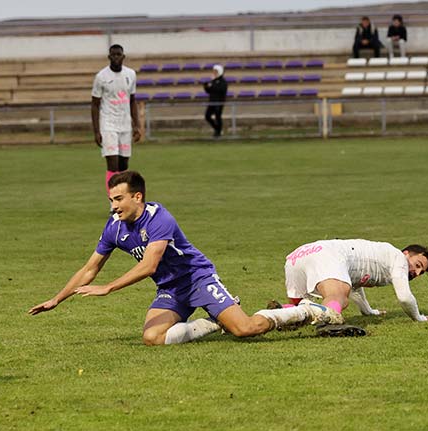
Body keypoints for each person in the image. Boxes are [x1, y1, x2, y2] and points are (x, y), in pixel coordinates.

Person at [28, 171, 338, 346]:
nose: (113, 206)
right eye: (110, 200)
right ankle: (211, 323)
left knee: (245, 331)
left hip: (197, 279)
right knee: (153, 338)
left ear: (137, 197)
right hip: (171, 289)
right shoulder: (114, 227)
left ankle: (303, 312)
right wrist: (58, 299)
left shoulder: (159, 218)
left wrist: (108, 289)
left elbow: (149, 265)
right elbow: (89, 268)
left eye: (118, 199)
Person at [278, 239, 428, 329]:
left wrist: (368, 311)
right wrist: (420, 318)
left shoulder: (381, 256)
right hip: (327, 253)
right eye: (418, 265)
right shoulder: (398, 258)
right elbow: (405, 297)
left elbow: (356, 284)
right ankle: (329, 323)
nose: (416, 272)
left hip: (298, 255)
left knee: (298, 304)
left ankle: (284, 313)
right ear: (406, 254)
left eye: (421, 272)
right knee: (339, 296)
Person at [91, 45, 140, 197]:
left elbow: (132, 101)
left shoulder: (130, 74)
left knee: (124, 165)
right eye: (113, 55)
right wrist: (96, 131)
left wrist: (136, 125)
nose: (116, 57)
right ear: (109, 57)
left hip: (125, 125)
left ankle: (123, 199)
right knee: (113, 164)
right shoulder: (101, 77)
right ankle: (113, 202)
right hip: (108, 125)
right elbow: (95, 104)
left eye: (119, 55)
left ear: (123, 57)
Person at [203, 65, 228, 138]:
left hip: (219, 102)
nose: (214, 73)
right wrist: (206, 86)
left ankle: (218, 132)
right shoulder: (213, 81)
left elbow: (221, 90)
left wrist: (212, 85)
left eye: (216, 71)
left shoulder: (223, 82)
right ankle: (217, 129)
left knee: (218, 116)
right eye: (214, 71)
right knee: (207, 116)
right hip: (212, 101)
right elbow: (209, 91)